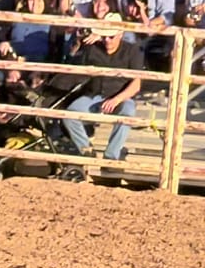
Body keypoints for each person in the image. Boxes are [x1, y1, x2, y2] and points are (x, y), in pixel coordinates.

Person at [54, 15, 144, 171]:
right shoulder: (92, 48)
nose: (107, 40)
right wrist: (79, 43)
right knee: (69, 114)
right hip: (94, 96)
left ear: (120, 34)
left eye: (111, 36)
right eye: (104, 36)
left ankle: (111, 157)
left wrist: (117, 99)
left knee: (128, 112)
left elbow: (136, 84)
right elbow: (73, 64)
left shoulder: (132, 51)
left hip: (120, 97)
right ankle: (86, 150)